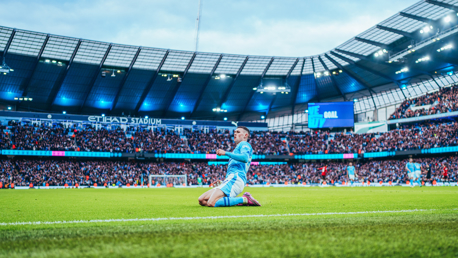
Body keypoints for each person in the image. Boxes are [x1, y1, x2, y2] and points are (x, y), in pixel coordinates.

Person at [198, 126, 261, 207]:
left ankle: (244, 199)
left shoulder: (244, 144)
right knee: (202, 200)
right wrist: (223, 182)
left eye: (238, 132)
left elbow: (245, 158)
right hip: (231, 179)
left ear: (245, 135)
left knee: (211, 203)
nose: (235, 133)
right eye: (234, 132)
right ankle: (233, 201)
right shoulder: (237, 149)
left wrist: (226, 153)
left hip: (236, 178)